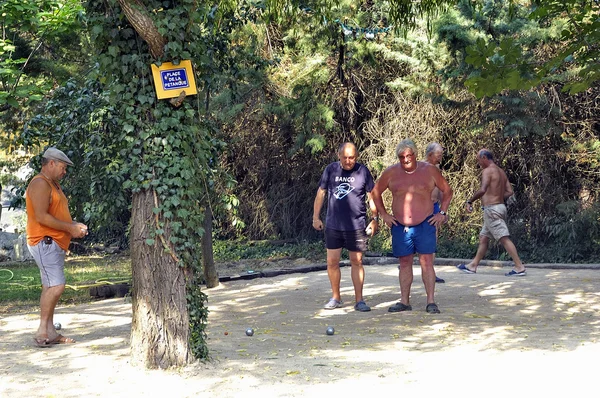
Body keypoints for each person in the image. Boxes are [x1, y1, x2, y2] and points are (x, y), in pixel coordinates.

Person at [371, 139, 452, 314]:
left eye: (409, 155)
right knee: (404, 262)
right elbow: (375, 192)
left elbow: (447, 190)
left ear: (415, 154)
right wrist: (383, 214)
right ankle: (404, 301)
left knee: (426, 261)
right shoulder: (391, 172)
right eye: (402, 157)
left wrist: (442, 213)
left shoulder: (429, 170)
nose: (406, 159)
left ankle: (431, 301)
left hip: (425, 222)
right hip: (401, 225)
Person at [27, 147, 88, 347]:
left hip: (52, 243)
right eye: (63, 167)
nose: (65, 172)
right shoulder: (40, 183)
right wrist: (70, 228)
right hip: (44, 242)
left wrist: (73, 226)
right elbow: (41, 217)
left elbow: (55, 214)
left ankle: (50, 331)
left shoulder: (53, 184)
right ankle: (43, 331)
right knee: (56, 285)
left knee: (50, 285)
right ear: (51, 163)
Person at [313, 142, 378, 312]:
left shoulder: (363, 171)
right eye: (345, 158)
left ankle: (359, 300)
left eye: (352, 158)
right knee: (332, 261)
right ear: (339, 156)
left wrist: (375, 218)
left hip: (356, 225)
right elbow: (321, 192)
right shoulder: (331, 170)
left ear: (356, 156)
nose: (349, 161)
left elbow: (372, 196)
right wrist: (315, 217)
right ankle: (336, 297)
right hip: (334, 224)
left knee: (357, 261)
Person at [457, 149, 526, 276]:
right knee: (484, 238)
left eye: (479, 160)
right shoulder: (501, 171)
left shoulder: (487, 171)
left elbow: (482, 190)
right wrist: (497, 196)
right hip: (499, 207)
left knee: (503, 238)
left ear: (484, 157)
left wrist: (470, 201)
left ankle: (519, 266)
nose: (479, 163)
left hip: (492, 210)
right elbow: (510, 191)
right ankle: (473, 266)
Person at [424, 142, 446, 284]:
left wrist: (444, 210)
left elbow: (443, 189)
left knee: (433, 239)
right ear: (430, 155)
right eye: (439, 155)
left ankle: (431, 271)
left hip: (435, 207)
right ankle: (404, 264)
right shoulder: (421, 168)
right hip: (422, 207)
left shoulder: (437, 169)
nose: (441, 157)